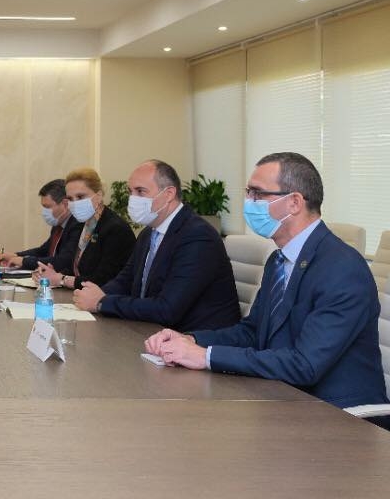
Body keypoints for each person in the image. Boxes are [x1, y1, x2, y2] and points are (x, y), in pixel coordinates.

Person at [146, 153, 387, 408]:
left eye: (258, 194)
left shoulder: (343, 269)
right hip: (281, 397)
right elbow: (252, 332)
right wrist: (192, 340)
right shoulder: (279, 260)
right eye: (248, 192)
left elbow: (305, 365)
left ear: (294, 202)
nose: (249, 202)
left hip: (336, 413)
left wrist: (206, 356)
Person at [73, 160, 240, 332]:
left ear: (168, 194)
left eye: (140, 191)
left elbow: (167, 309)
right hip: (153, 330)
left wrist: (102, 302)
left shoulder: (198, 236)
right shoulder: (148, 233)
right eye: (130, 192)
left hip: (196, 338)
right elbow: (126, 280)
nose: (132, 199)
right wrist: (96, 293)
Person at [31, 168, 135, 291]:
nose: (75, 203)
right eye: (70, 199)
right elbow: (78, 268)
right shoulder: (83, 224)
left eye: (80, 196)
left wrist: (62, 279)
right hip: (80, 296)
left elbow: (104, 280)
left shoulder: (115, 229)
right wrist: (51, 273)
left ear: (99, 195)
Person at [0, 179, 82, 271]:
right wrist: (16, 255)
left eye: (47, 207)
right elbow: (44, 250)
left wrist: (24, 261)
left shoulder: (77, 224)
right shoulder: (58, 223)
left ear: (65, 204)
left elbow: (64, 261)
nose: (44, 212)